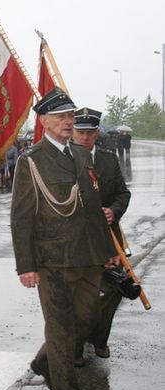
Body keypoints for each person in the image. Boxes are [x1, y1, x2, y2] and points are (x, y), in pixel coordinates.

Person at [10, 88, 118, 390]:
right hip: (53, 259)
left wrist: (108, 249)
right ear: (44, 121)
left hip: (89, 256)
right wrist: (26, 265)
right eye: (61, 116)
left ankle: (44, 362)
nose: (68, 122)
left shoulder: (82, 155)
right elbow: (21, 217)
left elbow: (92, 208)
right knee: (60, 329)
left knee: (85, 321)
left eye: (71, 115)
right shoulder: (31, 162)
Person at [72, 107, 131, 359]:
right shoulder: (63, 161)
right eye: (80, 132)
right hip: (75, 240)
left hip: (107, 238)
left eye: (90, 132)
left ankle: (99, 338)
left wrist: (114, 211)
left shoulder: (108, 159)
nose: (85, 137)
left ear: (97, 134)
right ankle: (76, 345)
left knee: (114, 289)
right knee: (78, 293)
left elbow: (122, 193)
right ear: (73, 133)